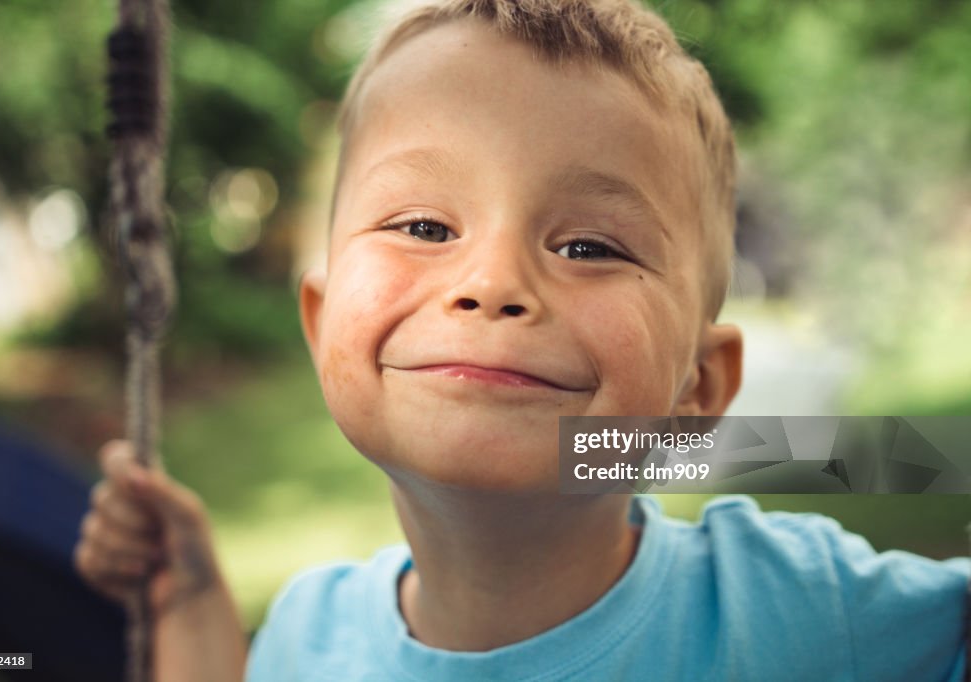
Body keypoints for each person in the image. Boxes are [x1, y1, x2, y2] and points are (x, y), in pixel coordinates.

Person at [73, 1, 971, 680]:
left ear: (696, 392)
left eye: (588, 246)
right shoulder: (311, 635)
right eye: (423, 226)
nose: (493, 284)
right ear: (320, 327)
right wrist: (188, 602)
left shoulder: (802, 616)